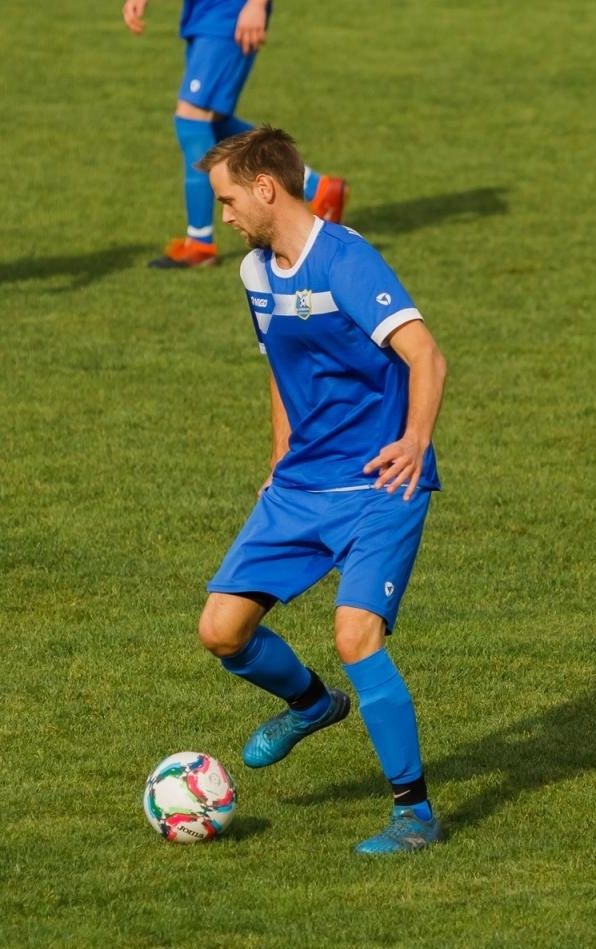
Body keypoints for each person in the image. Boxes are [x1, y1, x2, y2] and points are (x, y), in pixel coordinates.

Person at [193, 127, 445, 854]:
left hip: (380, 481)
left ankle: (415, 814)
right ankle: (309, 704)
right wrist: (279, 452)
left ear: (266, 187)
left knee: (354, 636)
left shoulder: (345, 261)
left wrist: (416, 439)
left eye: (229, 199)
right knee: (221, 631)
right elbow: (280, 361)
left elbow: (425, 352)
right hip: (301, 484)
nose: (226, 216)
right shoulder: (254, 273)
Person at [122, 0, 347, 269]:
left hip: (230, 13)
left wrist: (256, 5)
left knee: (192, 120)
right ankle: (319, 188)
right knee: (214, 121)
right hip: (202, 13)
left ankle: (199, 242)